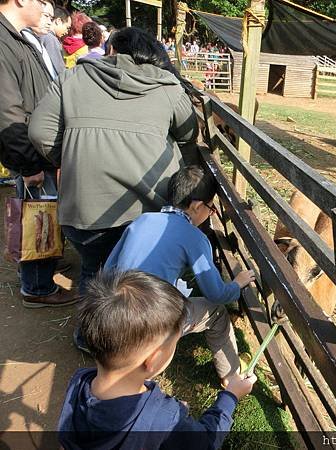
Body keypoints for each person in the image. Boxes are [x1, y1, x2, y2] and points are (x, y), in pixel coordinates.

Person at [29, 26, 199, 295]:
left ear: (111, 50)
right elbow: (189, 131)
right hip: (147, 208)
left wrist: (73, 156)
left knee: (93, 272)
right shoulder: (168, 86)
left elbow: (40, 132)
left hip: (84, 209)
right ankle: (135, 333)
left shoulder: (72, 78)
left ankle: (90, 335)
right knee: (139, 282)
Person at [58, 270, 257, 450]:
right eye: (174, 343)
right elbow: (206, 441)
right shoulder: (164, 421)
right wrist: (230, 396)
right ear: (153, 359)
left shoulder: (79, 382)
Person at [105, 166, 255, 382]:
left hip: (114, 315)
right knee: (217, 313)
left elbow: (109, 269)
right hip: (149, 326)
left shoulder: (142, 220)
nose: (210, 213)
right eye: (211, 208)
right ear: (196, 205)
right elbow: (215, 293)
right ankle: (231, 376)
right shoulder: (194, 236)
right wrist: (236, 285)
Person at [0, 0, 77, 307]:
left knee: (44, 215)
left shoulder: (18, 36)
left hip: (36, 147)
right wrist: (28, 162)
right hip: (31, 153)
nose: (46, 11)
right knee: (38, 217)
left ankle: (40, 268)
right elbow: (8, 112)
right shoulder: (5, 40)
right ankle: (37, 287)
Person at [21, 0, 56, 79]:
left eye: (51, 18)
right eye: (46, 16)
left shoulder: (36, 40)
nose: (49, 23)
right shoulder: (22, 38)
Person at [40, 5, 69, 76]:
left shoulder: (42, 35)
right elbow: (60, 70)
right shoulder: (50, 39)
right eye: (67, 27)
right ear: (58, 21)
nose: (67, 32)